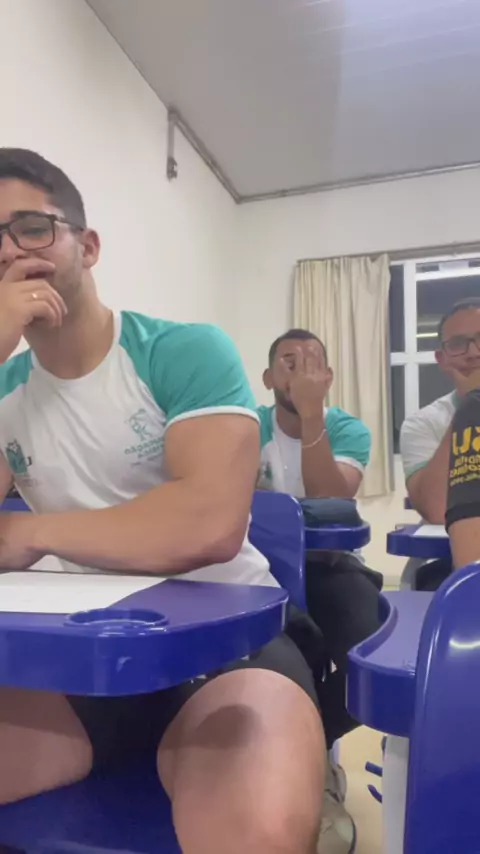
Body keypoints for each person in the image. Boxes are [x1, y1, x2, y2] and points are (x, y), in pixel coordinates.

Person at [0, 149, 327, 854]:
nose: (7, 251)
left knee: (258, 831)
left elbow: (207, 524)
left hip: (226, 649)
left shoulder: (181, 351)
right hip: (76, 664)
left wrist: (32, 534)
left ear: (87, 246)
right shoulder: (7, 386)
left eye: (29, 227)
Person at [257, 329, 383, 849]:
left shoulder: (348, 428)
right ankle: (291, 774)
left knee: (368, 662)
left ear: (328, 377)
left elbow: (333, 501)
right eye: (289, 361)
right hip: (262, 572)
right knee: (279, 661)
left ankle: (308, 750)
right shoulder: (247, 428)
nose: (301, 370)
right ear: (268, 378)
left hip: (331, 566)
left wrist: (312, 417)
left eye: (312, 361)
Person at [400, 298, 480, 590]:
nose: (473, 352)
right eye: (458, 344)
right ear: (441, 358)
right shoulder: (423, 423)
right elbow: (436, 508)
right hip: (452, 564)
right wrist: (471, 408)